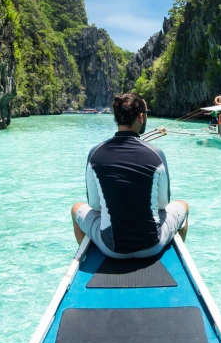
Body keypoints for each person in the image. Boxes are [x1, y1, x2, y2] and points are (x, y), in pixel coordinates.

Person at [71, 92, 188, 258]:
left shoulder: (95, 154)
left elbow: (95, 205)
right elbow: (163, 204)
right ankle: (174, 258)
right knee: (183, 206)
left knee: (76, 208)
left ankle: (91, 258)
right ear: (141, 117)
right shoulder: (156, 154)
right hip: (152, 246)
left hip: (111, 249)